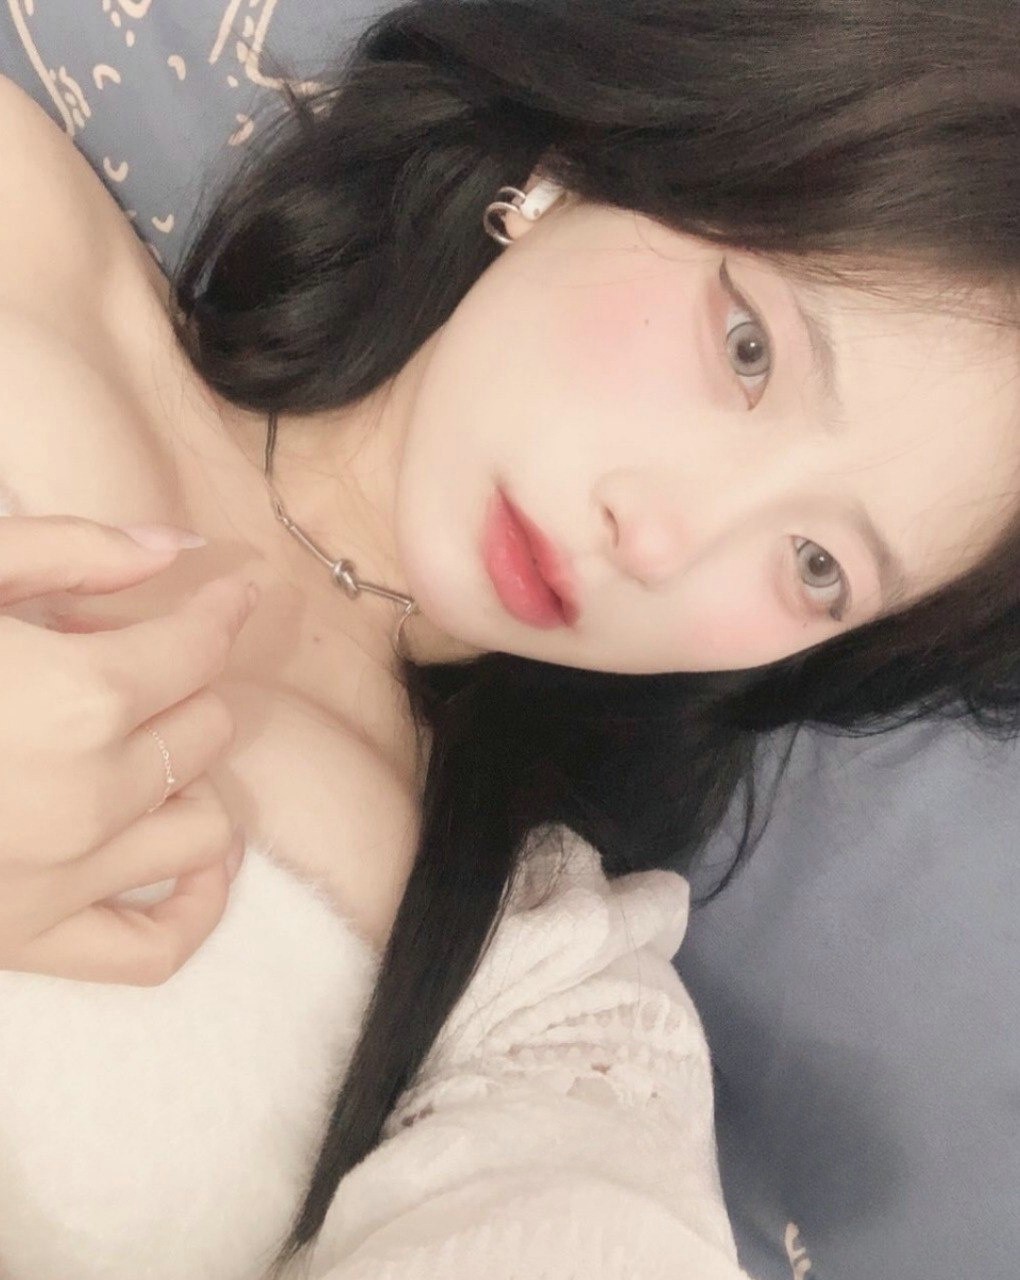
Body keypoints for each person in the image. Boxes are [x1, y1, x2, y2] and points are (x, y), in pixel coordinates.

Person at [0, 0, 1017, 1276]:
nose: (663, 538)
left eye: (819, 564)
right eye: (748, 347)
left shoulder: (539, 986)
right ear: (591, 161)